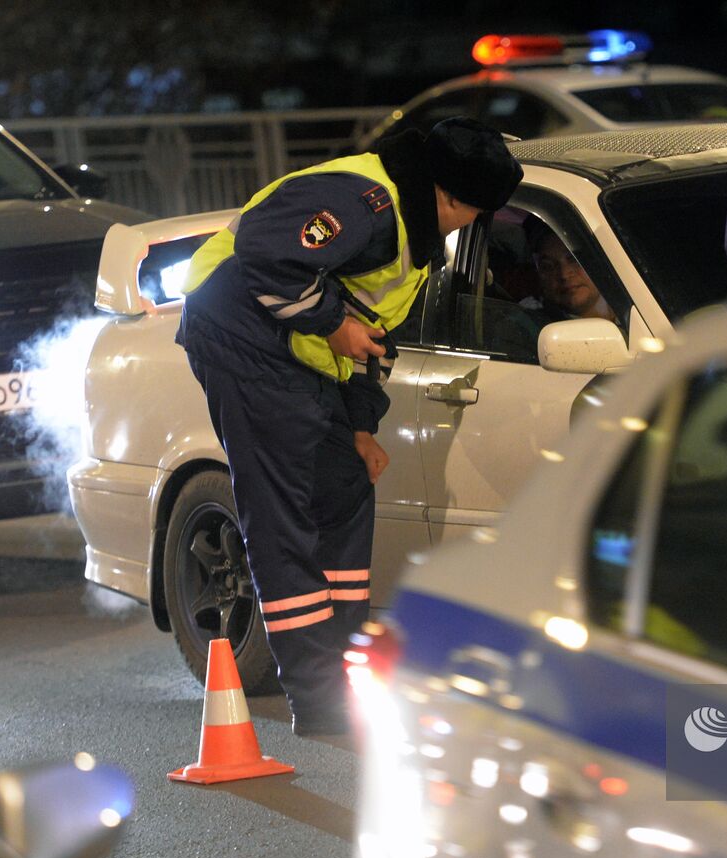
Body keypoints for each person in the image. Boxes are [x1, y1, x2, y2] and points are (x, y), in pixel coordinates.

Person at [175, 117, 523, 736]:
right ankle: (319, 699)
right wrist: (334, 322)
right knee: (282, 514)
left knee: (343, 487)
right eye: (469, 212)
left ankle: (349, 674)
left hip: (297, 350)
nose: (470, 226)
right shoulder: (364, 203)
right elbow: (264, 251)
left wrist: (363, 428)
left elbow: (375, 335)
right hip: (236, 330)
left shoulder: (417, 241)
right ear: (445, 195)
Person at [519, 219, 618, 324]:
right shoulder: (530, 325)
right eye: (548, 266)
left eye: (575, 259)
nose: (564, 274)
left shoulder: (633, 304)